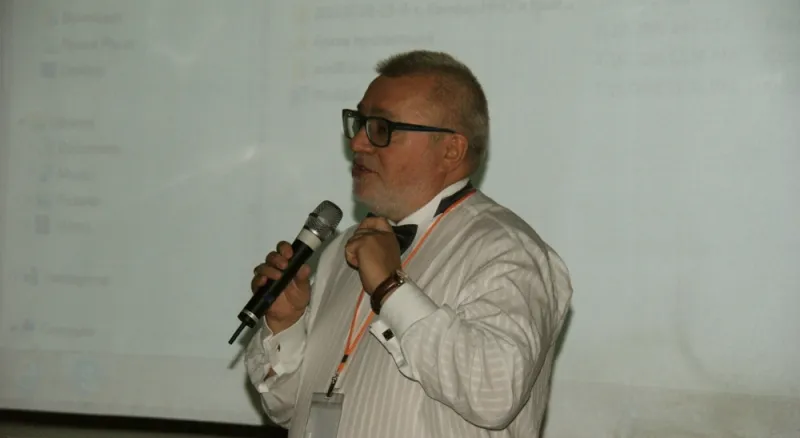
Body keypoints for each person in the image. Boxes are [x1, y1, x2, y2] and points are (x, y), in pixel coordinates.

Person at [244, 49, 573, 438]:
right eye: (360, 122)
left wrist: (390, 288)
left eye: (381, 128)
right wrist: (286, 324)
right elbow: (286, 408)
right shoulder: (341, 250)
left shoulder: (507, 251)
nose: (358, 143)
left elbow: (495, 393)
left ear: (450, 150)